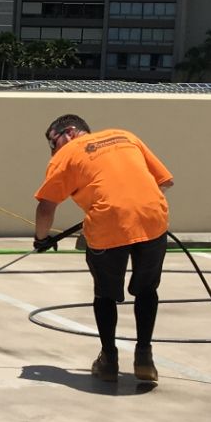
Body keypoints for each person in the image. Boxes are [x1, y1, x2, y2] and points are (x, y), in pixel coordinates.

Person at [32, 114, 174, 383]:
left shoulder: (68, 154)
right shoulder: (125, 135)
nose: (53, 150)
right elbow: (164, 182)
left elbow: (46, 206)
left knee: (105, 295)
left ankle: (109, 359)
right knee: (147, 290)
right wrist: (133, 206)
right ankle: (144, 358)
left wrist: (41, 239)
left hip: (107, 225)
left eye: (54, 141)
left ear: (71, 132)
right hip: (153, 218)